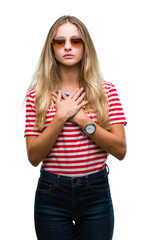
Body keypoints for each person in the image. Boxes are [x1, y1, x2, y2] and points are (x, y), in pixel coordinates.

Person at [24, 15, 127, 240]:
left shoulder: (105, 92)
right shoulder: (37, 96)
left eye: (76, 41)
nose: (68, 47)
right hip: (51, 194)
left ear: (85, 46)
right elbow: (33, 157)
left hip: (95, 192)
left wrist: (82, 120)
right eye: (60, 42)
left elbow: (120, 150)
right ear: (51, 49)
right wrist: (60, 118)